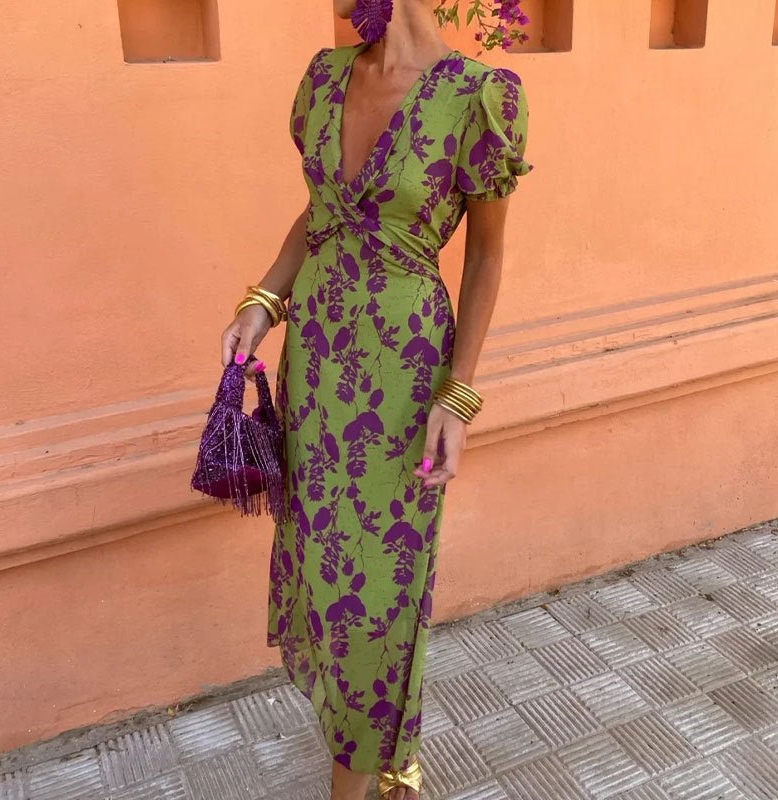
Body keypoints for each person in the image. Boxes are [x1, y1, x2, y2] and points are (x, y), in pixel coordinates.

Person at [221, 1, 533, 797]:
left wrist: (458, 397)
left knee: (380, 587)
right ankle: (378, 751)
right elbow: (319, 215)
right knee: (327, 573)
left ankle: (361, 774)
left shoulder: (478, 96)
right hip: (316, 366)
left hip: (404, 379)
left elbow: (487, 256)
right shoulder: (326, 78)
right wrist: (262, 302)